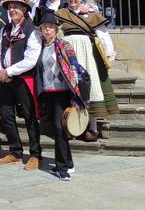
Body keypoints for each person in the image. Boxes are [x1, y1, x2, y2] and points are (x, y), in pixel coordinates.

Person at [56, 0, 118, 140]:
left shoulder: (92, 15)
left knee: (90, 88)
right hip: (68, 55)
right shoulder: (62, 14)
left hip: (88, 55)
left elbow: (103, 35)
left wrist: (110, 54)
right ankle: (71, 126)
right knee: (71, 88)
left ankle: (92, 128)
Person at [35, 11, 87, 181]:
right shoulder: (40, 47)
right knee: (57, 128)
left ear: (56, 29)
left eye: (50, 27)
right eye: (44, 27)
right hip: (47, 93)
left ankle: (61, 168)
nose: (47, 30)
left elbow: (74, 67)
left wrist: (76, 93)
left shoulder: (64, 45)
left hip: (62, 92)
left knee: (59, 127)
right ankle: (69, 162)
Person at [0, 0, 42, 171]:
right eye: (10, 7)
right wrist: (0, 71)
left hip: (23, 79)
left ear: (25, 10)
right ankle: (15, 150)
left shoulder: (32, 30)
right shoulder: (5, 29)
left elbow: (31, 59)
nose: (12, 10)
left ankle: (35, 154)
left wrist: (9, 71)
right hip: (5, 79)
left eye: (16, 7)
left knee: (30, 116)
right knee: (6, 115)